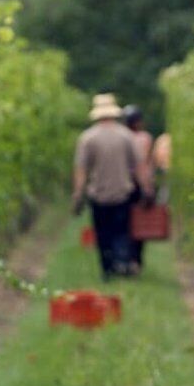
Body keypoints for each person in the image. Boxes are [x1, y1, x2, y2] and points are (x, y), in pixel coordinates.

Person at [72, 94, 142, 278]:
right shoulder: (126, 136)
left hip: (99, 194)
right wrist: (146, 187)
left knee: (103, 234)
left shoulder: (87, 138)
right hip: (122, 192)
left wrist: (78, 195)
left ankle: (108, 267)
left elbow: (81, 169)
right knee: (121, 231)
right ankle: (122, 261)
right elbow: (137, 166)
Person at [122, 104, 156, 272]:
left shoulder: (121, 137)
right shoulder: (145, 138)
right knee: (140, 222)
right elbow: (147, 164)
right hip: (140, 183)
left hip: (125, 184)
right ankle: (136, 258)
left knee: (125, 222)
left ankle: (127, 257)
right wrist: (149, 186)